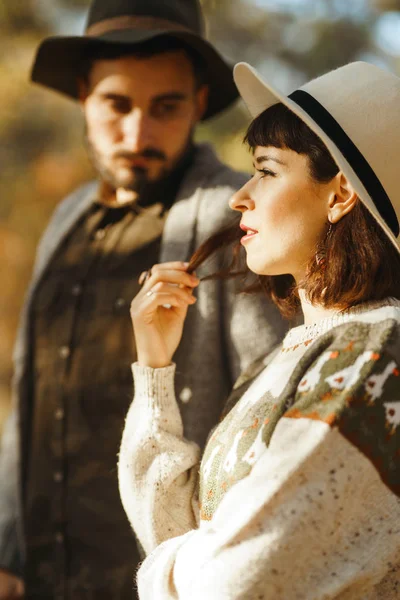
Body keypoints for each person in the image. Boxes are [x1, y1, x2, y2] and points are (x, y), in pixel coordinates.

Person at [0, 1, 287, 598]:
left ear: (199, 103)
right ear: (84, 95)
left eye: (165, 107)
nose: (137, 133)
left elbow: (267, 416)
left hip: (159, 582)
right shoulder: (66, 219)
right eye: (117, 104)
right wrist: (7, 547)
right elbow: (29, 397)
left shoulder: (234, 220)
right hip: (42, 580)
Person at [118, 61, 400, 599]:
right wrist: (154, 370)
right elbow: (172, 529)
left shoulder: (376, 359)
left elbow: (236, 583)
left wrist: (164, 575)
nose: (238, 196)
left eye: (267, 171)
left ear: (340, 196)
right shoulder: (283, 359)